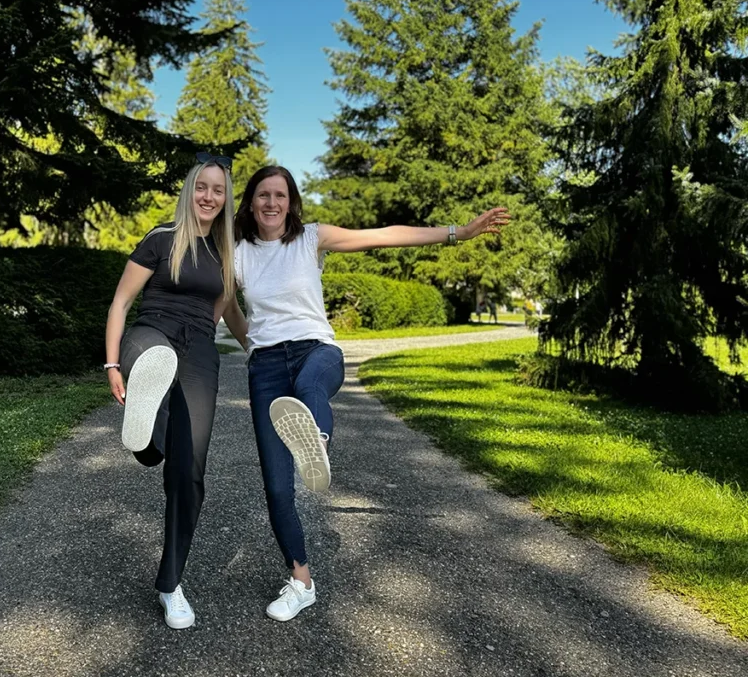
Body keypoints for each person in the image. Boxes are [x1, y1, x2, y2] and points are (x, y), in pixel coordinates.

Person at [221, 165, 509, 622]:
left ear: (291, 203)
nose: (271, 203)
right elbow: (224, 306)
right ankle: (301, 583)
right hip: (266, 368)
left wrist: (459, 232)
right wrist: (249, 344)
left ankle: (316, 442)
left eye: (280, 195)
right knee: (276, 488)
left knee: (311, 386)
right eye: (263, 195)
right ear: (250, 203)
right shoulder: (238, 254)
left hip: (316, 351)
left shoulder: (311, 238)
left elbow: (384, 235)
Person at [103, 153, 236, 630]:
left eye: (217, 190)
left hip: (198, 349)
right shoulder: (162, 237)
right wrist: (112, 363)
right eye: (201, 187)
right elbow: (121, 302)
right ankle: (146, 426)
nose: (208, 196)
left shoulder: (227, 253)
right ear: (189, 190)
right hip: (151, 333)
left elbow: (224, 309)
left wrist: (256, 346)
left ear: (226, 198)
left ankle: (170, 583)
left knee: (189, 470)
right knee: (155, 360)